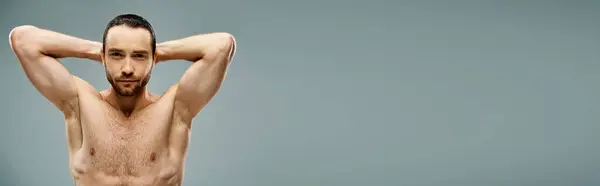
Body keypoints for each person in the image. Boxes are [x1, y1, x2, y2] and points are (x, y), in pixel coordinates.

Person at [9, 14, 236, 186]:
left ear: (154, 58)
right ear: (103, 57)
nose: (127, 69)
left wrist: (156, 51)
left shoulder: (175, 109)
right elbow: (23, 40)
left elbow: (221, 45)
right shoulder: (79, 102)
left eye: (139, 56)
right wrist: (97, 50)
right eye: (116, 55)